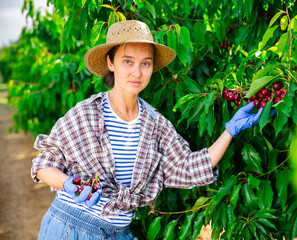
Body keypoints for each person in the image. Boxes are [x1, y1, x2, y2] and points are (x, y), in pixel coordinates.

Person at [31, 20, 262, 240]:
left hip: (119, 233)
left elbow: (189, 168)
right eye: (127, 61)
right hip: (72, 229)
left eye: (146, 63)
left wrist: (230, 130)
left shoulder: (156, 125)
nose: (137, 73)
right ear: (110, 63)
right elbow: (44, 165)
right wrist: (67, 184)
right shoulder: (85, 114)